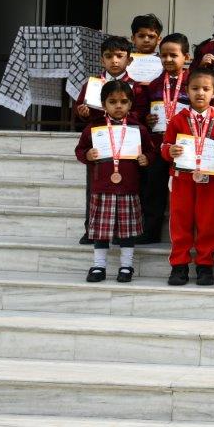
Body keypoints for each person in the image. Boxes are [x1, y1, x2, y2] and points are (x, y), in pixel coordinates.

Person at [161, 68, 214, 287]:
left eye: (206, 88)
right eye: (195, 88)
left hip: (209, 180)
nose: (200, 93)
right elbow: (165, 146)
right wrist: (170, 151)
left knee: (208, 222)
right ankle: (179, 264)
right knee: (180, 221)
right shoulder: (178, 119)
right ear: (187, 91)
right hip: (181, 179)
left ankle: (205, 264)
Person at [75, 80, 154, 283]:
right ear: (103, 104)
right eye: (112, 102)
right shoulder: (94, 127)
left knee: (127, 230)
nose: (118, 106)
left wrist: (146, 158)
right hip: (102, 187)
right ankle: (98, 266)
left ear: (130, 104)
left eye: (123, 101)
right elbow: (80, 149)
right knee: (101, 231)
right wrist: (88, 155)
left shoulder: (138, 128)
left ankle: (126, 266)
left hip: (128, 187)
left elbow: (150, 150)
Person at [136, 33, 191, 244]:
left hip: (186, 146)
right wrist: (147, 118)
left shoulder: (194, 81)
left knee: (185, 192)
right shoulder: (154, 84)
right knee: (153, 188)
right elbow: (143, 111)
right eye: (164, 55)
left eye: (173, 55)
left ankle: (185, 236)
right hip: (159, 144)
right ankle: (150, 232)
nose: (168, 59)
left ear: (186, 57)